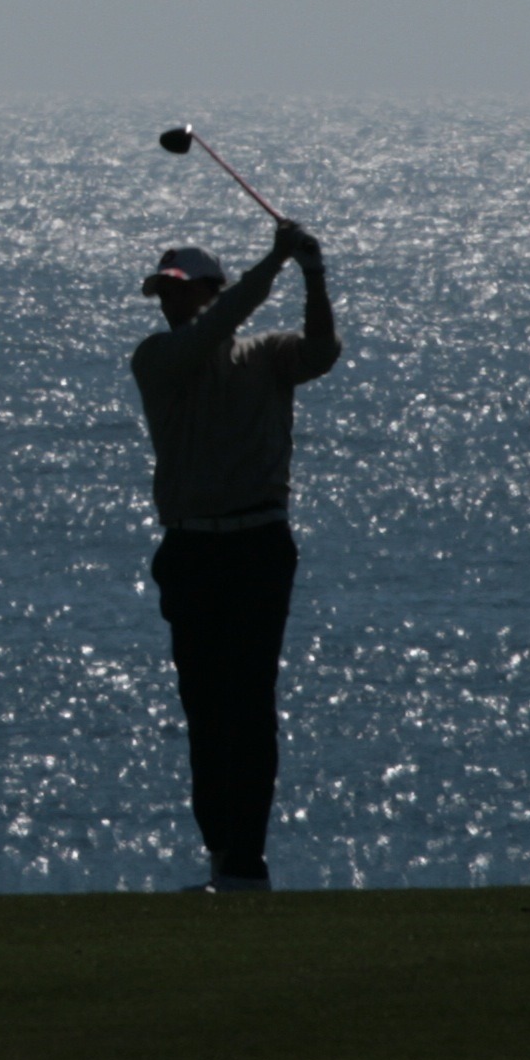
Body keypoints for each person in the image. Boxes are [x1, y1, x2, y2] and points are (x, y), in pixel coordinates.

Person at [130, 216, 339, 892]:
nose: (168, 302)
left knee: (247, 702)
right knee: (205, 707)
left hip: (256, 545)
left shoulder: (267, 355)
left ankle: (244, 862)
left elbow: (322, 351)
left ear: (210, 291)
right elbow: (215, 331)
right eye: (163, 292)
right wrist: (276, 260)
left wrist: (311, 273)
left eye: (180, 290)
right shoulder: (157, 360)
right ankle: (224, 853)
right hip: (191, 547)